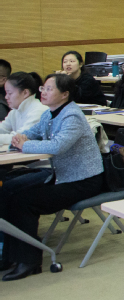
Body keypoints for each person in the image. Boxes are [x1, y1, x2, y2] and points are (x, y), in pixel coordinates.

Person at [1, 74, 104, 280]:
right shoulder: (50, 113)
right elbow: (32, 132)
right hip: (62, 176)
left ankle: (30, 261)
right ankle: (9, 256)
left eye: (49, 89)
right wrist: (21, 138)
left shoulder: (72, 116)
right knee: (8, 192)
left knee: (23, 202)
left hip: (83, 180)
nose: (43, 92)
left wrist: (25, 144)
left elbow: (58, 146)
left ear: (65, 94)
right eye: (43, 88)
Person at [0, 72, 47, 147]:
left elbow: (19, 138)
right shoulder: (14, 111)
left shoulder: (39, 111)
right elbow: (2, 128)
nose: (6, 97)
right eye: (6, 93)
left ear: (25, 93)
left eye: (10, 93)